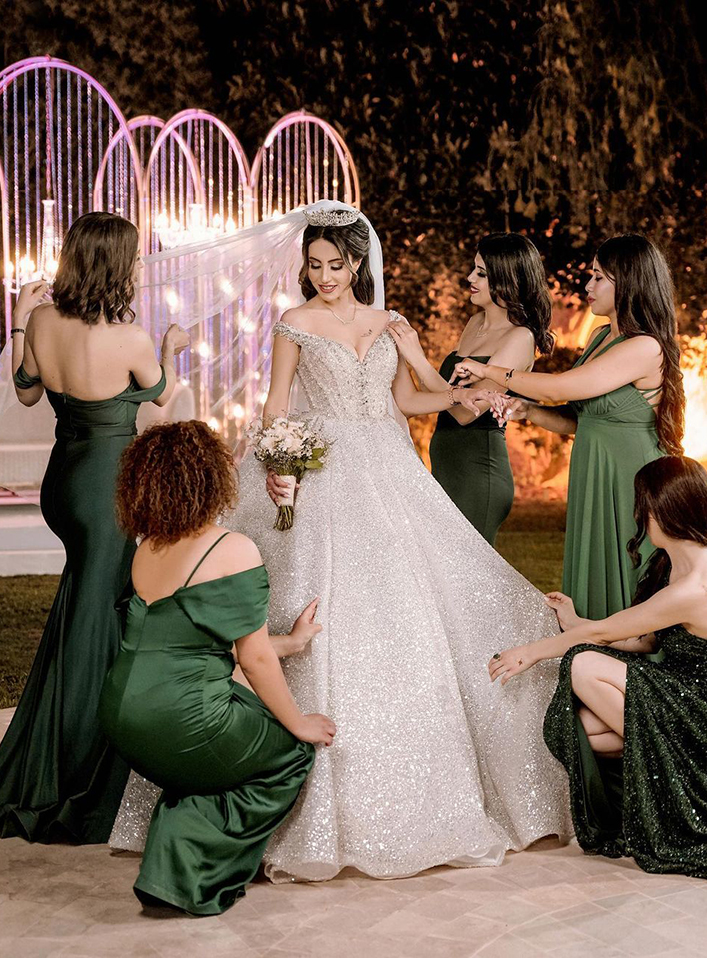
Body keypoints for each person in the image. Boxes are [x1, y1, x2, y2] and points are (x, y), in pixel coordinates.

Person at [112, 200, 572, 881]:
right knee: (325, 599)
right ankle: (309, 797)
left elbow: (410, 402)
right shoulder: (295, 322)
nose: (324, 276)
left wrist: (431, 370)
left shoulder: (389, 322)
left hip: (390, 467)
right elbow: (277, 402)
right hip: (322, 467)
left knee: (418, 601)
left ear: (359, 263)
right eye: (315, 264)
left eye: (336, 264)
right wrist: (278, 465)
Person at [0, 212, 189, 844]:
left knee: (84, 615)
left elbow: (26, 392)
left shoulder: (42, 321)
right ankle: (76, 770)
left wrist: (18, 317)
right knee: (97, 626)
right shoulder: (130, 338)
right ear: (116, 266)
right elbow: (159, 399)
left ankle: (55, 745)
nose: (141, 267)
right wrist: (171, 350)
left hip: (62, 486)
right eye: (135, 258)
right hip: (106, 492)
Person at [489, 456, 707, 880]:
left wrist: (530, 652)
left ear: (663, 512)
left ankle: (678, 761)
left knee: (583, 665)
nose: (639, 515)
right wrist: (577, 623)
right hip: (687, 691)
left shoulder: (696, 586)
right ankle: (669, 760)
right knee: (579, 729)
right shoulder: (680, 558)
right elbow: (646, 639)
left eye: (644, 506)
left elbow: (605, 636)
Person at [99, 421, 333, 915]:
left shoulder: (147, 547)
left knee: (203, 764)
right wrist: (299, 724)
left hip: (122, 718)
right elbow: (253, 658)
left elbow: (189, 640)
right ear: (209, 479)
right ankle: (190, 876)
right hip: (182, 719)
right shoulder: (231, 548)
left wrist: (292, 641)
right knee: (288, 756)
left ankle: (168, 865)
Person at [455, 234, 685, 618]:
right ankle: (591, 645)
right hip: (593, 473)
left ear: (629, 283)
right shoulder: (600, 337)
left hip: (631, 480)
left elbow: (561, 387)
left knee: (630, 577)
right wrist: (529, 411)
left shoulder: (645, 346)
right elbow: (580, 418)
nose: (588, 285)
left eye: (599, 278)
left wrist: (490, 371)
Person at [387, 233, 554, 544]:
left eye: (482, 273)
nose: (470, 278)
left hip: (478, 473)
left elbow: (466, 412)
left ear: (507, 280)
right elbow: (438, 394)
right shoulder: (475, 322)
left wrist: (417, 357)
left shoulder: (520, 337)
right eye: (473, 269)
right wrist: (398, 355)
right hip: (446, 466)